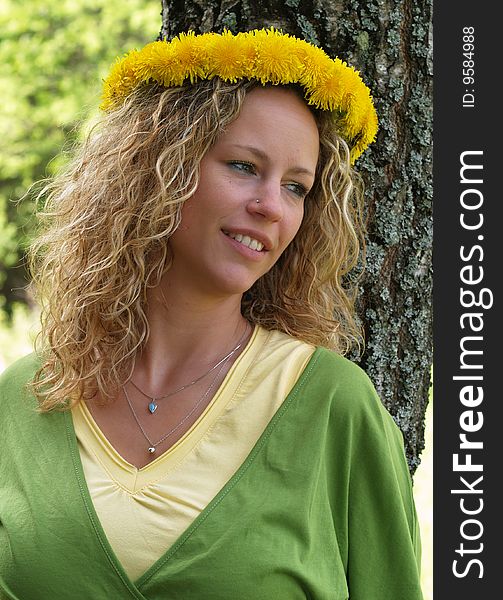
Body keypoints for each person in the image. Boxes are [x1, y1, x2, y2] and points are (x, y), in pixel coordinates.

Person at [0, 29, 423, 599]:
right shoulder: (25, 399)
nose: (271, 205)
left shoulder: (332, 408)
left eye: (297, 187)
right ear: (157, 169)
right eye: (245, 167)